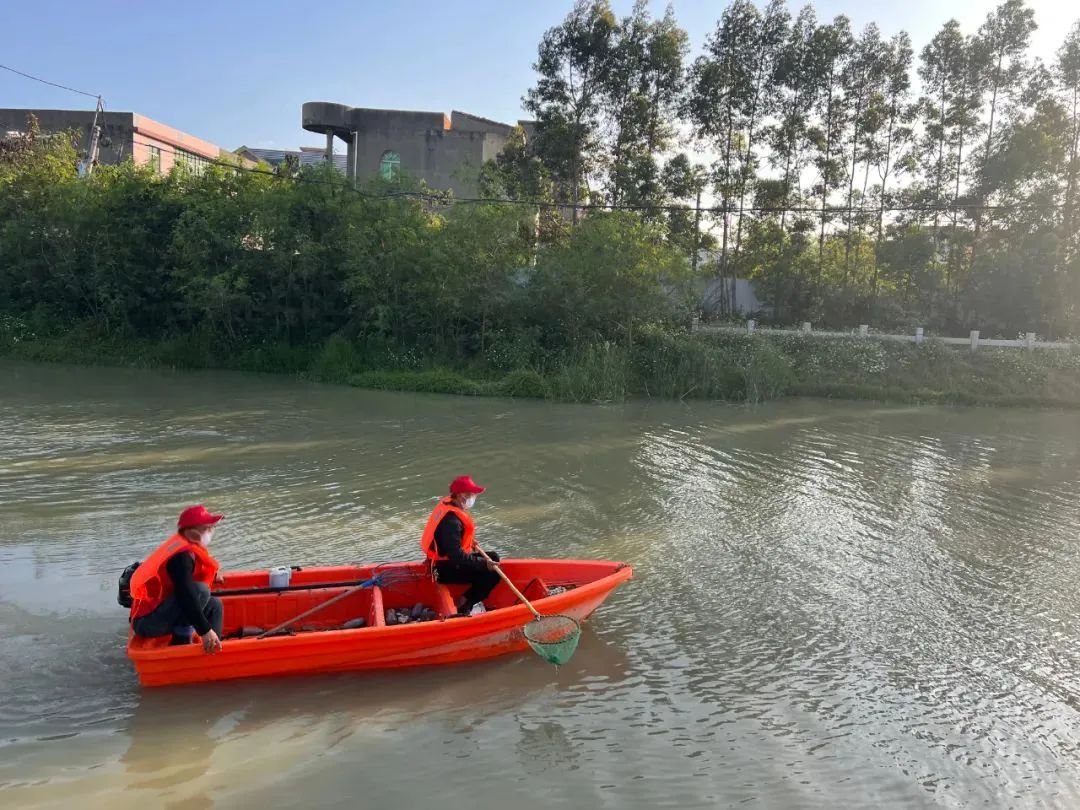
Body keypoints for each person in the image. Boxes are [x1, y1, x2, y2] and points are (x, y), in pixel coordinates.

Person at [128, 505, 226, 654]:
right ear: (191, 532)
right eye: (207, 528)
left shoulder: (185, 546)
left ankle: (214, 649)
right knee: (200, 591)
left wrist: (212, 574)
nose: (211, 531)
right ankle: (181, 643)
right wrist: (205, 630)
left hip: (159, 611)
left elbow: (187, 576)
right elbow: (186, 594)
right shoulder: (180, 557)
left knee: (215, 605)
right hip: (147, 623)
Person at [421, 476, 500, 615]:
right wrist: (484, 564)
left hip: (444, 561)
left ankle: (465, 599)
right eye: (470, 495)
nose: (473, 498)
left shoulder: (449, 505)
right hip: (442, 570)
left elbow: (449, 542)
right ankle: (465, 604)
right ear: (459, 496)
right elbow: (457, 557)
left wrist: (470, 542)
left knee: (493, 556)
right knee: (493, 574)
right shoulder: (451, 521)